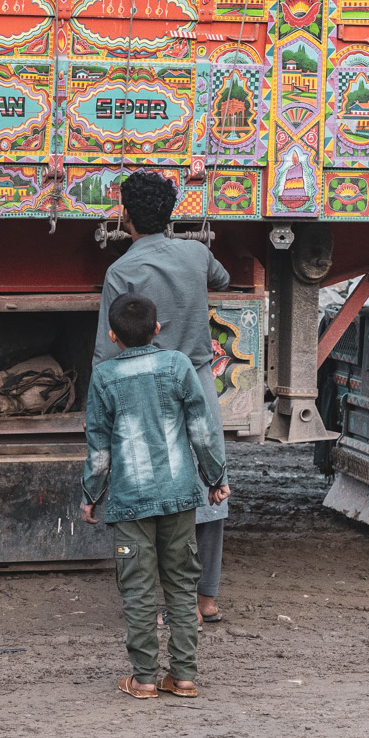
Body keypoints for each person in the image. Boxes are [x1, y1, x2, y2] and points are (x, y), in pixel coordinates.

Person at [92, 168, 233, 623]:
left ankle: (153, 602)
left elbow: (105, 347)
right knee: (210, 487)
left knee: (147, 487)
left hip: (141, 388)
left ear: (125, 216)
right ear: (173, 212)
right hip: (195, 378)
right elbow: (224, 278)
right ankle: (204, 599)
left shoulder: (121, 270)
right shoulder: (196, 253)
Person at [82, 293, 230, 699]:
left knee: (138, 590)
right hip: (180, 495)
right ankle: (183, 677)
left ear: (112, 335)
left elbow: (98, 445)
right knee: (182, 586)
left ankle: (144, 679)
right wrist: (215, 478)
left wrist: (91, 494)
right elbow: (202, 430)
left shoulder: (104, 377)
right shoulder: (178, 365)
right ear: (158, 329)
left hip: (130, 500)